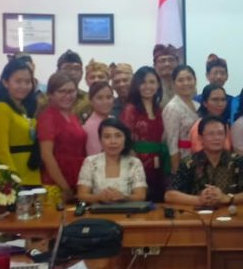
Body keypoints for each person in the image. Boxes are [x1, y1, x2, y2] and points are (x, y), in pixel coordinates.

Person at [166, 117, 243, 207]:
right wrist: (199, 200)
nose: (216, 138)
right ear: (201, 138)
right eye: (211, 134)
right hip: (197, 214)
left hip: (230, 214)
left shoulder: (238, 161)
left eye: (220, 133)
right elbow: (169, 195)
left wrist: (226, 198)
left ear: (226, 136)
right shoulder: (188, 163)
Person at [0, 59, 41, 188]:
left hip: (33, 175)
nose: (23, 86)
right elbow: (2, 151)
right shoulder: (1, 108)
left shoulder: (24, 109)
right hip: (16, 178)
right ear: (5, 82)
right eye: (18, 81)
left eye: (27, 82)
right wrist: (12, 179)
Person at [37, 72, 88, 207]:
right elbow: (46, 155)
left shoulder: (73, 116)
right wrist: (64, 187)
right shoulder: (48, 117)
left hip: (76, 179)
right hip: (56, 183)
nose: (67, 96)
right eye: (62, 91)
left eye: (71, 91)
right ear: (51, 94)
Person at [120, 66, 167, 202]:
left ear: (158, 85)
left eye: (152, 82)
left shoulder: (159, 109)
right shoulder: (130, 109)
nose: (148, 86)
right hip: (137, 166)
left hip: (158, 165)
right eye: (143, 82)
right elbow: (125, 140)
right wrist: (135, 167)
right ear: (136, 85)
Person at [76, 118, 148, 203]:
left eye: (118, 136)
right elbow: (82, 196)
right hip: (97, 211)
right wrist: (99, 197)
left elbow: (140, 196)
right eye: (107, 137)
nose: (113, 141)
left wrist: (123, 197)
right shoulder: (90, 162)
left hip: (128, 211)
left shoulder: (134, 163)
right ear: (100, 140)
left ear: (125, 139)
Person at [164, 65, 201, 170]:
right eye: (180, 80)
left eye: (189, 79)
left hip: (198, 157)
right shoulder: (173, 107)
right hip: (182, 159)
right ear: (173, 84)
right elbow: (172, 144)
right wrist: (176, 171)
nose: (186, 83)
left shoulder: (197, 105)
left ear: (195, 81)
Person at [190, 84, 232, 152]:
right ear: (205, 103)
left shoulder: (224, 125)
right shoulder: (199, 126)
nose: (220, 104)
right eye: (215, 100)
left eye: (223, 100)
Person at [55, 50, 90, 121]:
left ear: (82, 73)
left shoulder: (89, 100)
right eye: (67, 68)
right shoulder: (46, 99)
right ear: (57, 72)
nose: (72, 72)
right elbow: (35, 124)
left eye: (77, 69)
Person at [83, 81, 116, 155]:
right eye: (99, 98)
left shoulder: (113, 119)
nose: (105, 101)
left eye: (109, 97)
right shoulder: (90, 127)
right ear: (91, 101)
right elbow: (95, 157)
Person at [153, 44, 181, 108]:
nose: (167, 64)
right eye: (162, 61)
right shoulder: (150, 87)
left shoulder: (186, 84)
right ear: (155, 65)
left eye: (171, 60)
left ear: (177, 63)